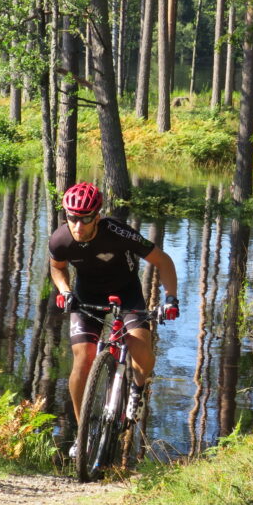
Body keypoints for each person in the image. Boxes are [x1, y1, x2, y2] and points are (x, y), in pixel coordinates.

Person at [48, 182, 179, 445]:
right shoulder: (60, 240)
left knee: (140, 345)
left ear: (97, 216)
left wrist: (170, 299)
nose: (78, 226)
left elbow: (162, 261)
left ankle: (137, 389)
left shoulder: (119, 233)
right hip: (86, 295)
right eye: (72, 218)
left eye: (85, 219)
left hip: (127, 291)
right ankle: (82, 432)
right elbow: (57, 268)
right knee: (82, 358)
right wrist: (65, 290)